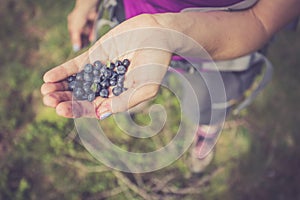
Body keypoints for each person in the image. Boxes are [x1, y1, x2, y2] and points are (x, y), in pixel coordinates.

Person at [41, 0, 300, 172]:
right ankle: (137, 96)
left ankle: (206, 130)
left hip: (221, 49)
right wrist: (85, 5)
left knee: (205, 103)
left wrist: (165, 32)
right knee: (135, 81)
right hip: (129, 30)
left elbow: (261, 20)